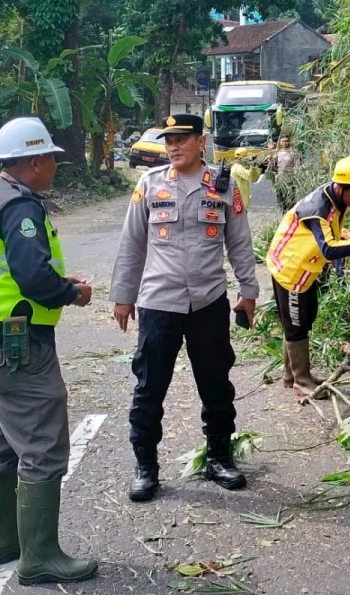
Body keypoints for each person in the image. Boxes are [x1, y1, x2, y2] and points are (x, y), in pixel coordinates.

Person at [0, 116, 97, 585]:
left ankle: (0, 544)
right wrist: (73, 292)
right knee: (41, 442)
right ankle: (39, 557)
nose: (55, 166)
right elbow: (35, 279)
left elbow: (10, 270)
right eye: (52, 159)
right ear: (35, 160)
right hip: (18, 343)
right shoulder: (21, 207)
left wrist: (59, 281)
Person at [109, 113, 260, 502]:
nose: (173, 146)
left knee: (216, 385)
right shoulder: (150, 184)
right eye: (168, 140)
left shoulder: (223, 186)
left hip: (208, 302)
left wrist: (248, 290)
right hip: (159, 303)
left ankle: (219, 457)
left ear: (201, 140)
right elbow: (132, 244)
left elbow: (239, 243)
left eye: (182, 139)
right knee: (149, 388)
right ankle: (146, 467)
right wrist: (123, 297)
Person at [266, 156, 350, 400]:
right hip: (291, 269)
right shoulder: (319, 209)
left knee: (305, 318)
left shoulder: (335, 201)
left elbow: (336, 235)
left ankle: (292, 376)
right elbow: (328, 249)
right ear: (341, 187)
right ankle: (301, 381)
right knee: (296, 324)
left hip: (306, 269)